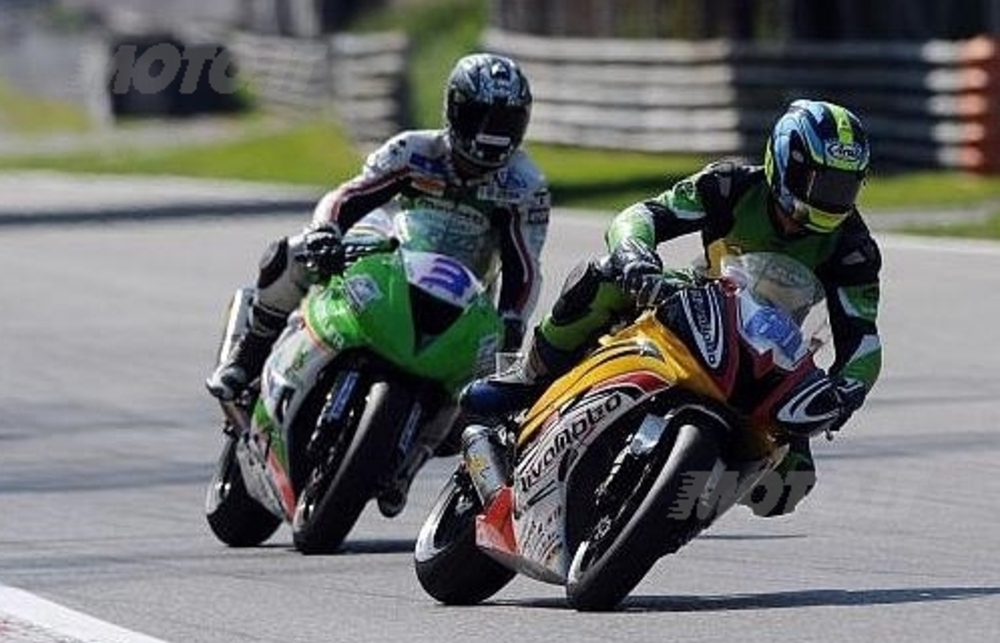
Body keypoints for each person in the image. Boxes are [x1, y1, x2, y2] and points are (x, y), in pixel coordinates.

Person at [472, 98, 882, 517]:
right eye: (821, 183)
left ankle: (679, 509)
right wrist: (634, 253)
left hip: (773, 352)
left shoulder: (854, 248)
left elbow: (863, 341)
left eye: (845, 186)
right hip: (701, 301)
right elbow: (645, 214)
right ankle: (530, 376)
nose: (832, 199)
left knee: (788, 485)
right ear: (784, 163)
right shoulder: (729, 185)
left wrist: (847, 390)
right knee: (603, 278)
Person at [206, 53, 551, 483]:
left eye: (504, 123)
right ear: (454, 109)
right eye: (480, 117)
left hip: (462, 293)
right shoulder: (413, 150)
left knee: (487, 389)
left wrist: (513, 319)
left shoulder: (525, 185)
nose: (490, 135)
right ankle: (247, 356)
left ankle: (408, 464)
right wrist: (326, 230)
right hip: (388, 256)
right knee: (292, 253)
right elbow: (350, 196)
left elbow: (524, 265)